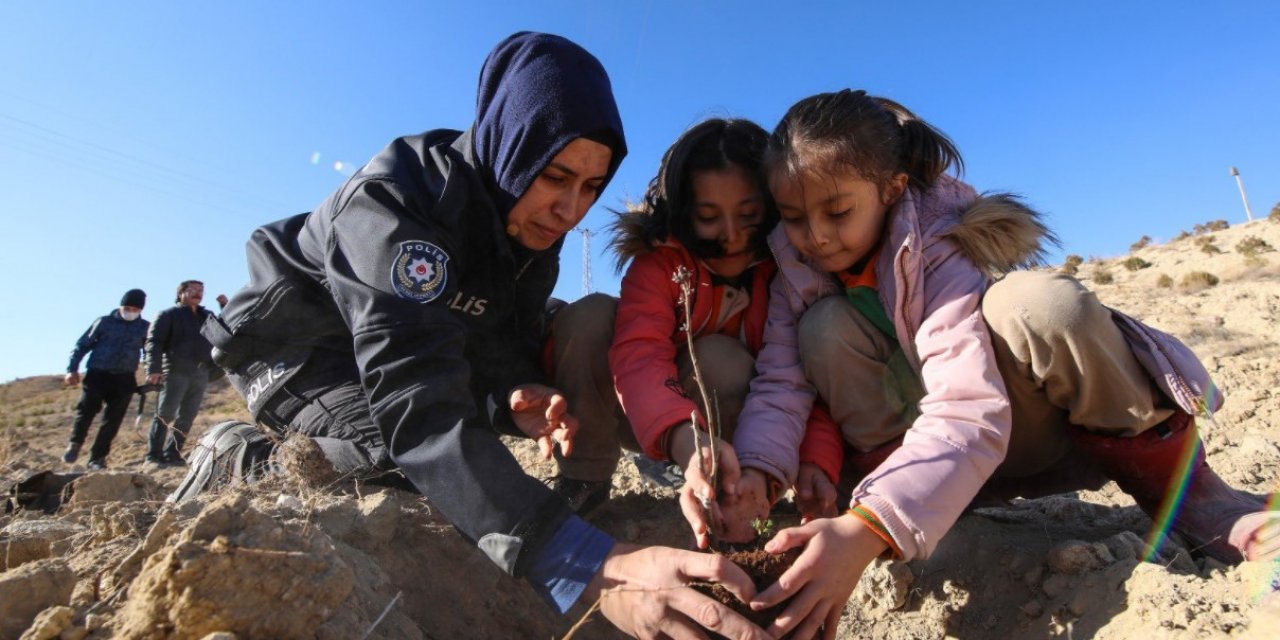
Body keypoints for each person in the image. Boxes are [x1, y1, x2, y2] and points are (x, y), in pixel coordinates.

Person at [170, 32, 771, 639]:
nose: (570, 210)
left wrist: (512, 393)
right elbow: (418, 404)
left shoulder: (526, 222)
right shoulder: (395, 206)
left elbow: (483, 341)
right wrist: (591, 565)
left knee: (460, 447)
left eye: (591, 187)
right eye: (556, 176)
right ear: (511, 146)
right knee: (394, 453)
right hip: (297, 347)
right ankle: (244, 456)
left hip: (386, 352)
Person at [709, 90, 1280, 640]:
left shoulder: (937, 243)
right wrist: (759, 471)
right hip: (921, 466)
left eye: (837, 211)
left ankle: (1192, 495)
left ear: (892, 189)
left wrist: (869, 528)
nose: (818, 238)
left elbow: (968, 404)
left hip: (1024, 435)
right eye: (794, 217)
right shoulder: (797, 269)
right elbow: (781, 382)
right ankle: (927, 512)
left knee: (1039, 304)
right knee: (824, 327)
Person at [607, 117, 840, 549]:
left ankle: (741, 494)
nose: (731, 237)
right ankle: (599, 476)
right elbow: (639, 356)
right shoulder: (659, 266)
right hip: (663, 426)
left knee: (724, 360)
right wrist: (684, 439)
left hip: (765, 442)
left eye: (749, 216)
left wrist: (816, 459)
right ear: (681, 214)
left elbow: (801, 381)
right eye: (709, 217)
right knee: (708, 356)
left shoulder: (788, 275)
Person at [63, 288, 150, 469]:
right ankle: (75, 443)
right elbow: (81, 345)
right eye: (127, 307)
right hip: (97, 374)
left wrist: (152, 372)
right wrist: (72, 369)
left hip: (125, 378)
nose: (130, 312)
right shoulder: (104, 322)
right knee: (86, 411)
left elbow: (149, 353)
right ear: (120, 306)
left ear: (141, 310)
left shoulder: (145, 328)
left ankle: (97, 458)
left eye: (135, 310)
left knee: (113, 420)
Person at [143, 280, 227, 466]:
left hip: (201, 372)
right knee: (165, 413)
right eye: (193, 290)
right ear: (181, 293)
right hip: (174, 371)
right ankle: (153, 456)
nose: (198, 294)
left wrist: (224, 306)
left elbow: (223, 329)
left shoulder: (207, 315)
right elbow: (153, 343)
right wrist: (153, 369)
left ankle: (172, 454)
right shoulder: (168, 315)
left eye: (201, 291)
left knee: (188, 416)